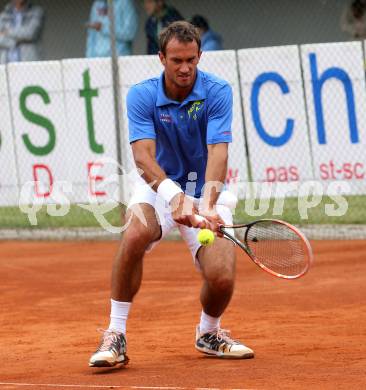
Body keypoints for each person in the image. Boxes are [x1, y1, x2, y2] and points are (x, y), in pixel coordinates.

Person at [89, 20, 254, 368]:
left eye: (192, 60)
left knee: (222, 277)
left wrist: (207, 204)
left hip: (206, 188)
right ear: (161, 57)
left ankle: (209, 332)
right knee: (134, 233)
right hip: (157, 186)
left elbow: (218, 152)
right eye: (177, 60)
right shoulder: (143, 94)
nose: (185, 68)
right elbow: (142, 157)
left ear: (199, 56)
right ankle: (115, 334)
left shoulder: (218, 91)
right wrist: (174, 196)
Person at [0, 0, 44, 64]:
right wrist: (17, 41)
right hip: (6, 62)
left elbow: (30, 33)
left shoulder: (37, 11)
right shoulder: (3, 15)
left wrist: (7, 32)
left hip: (29, 61)